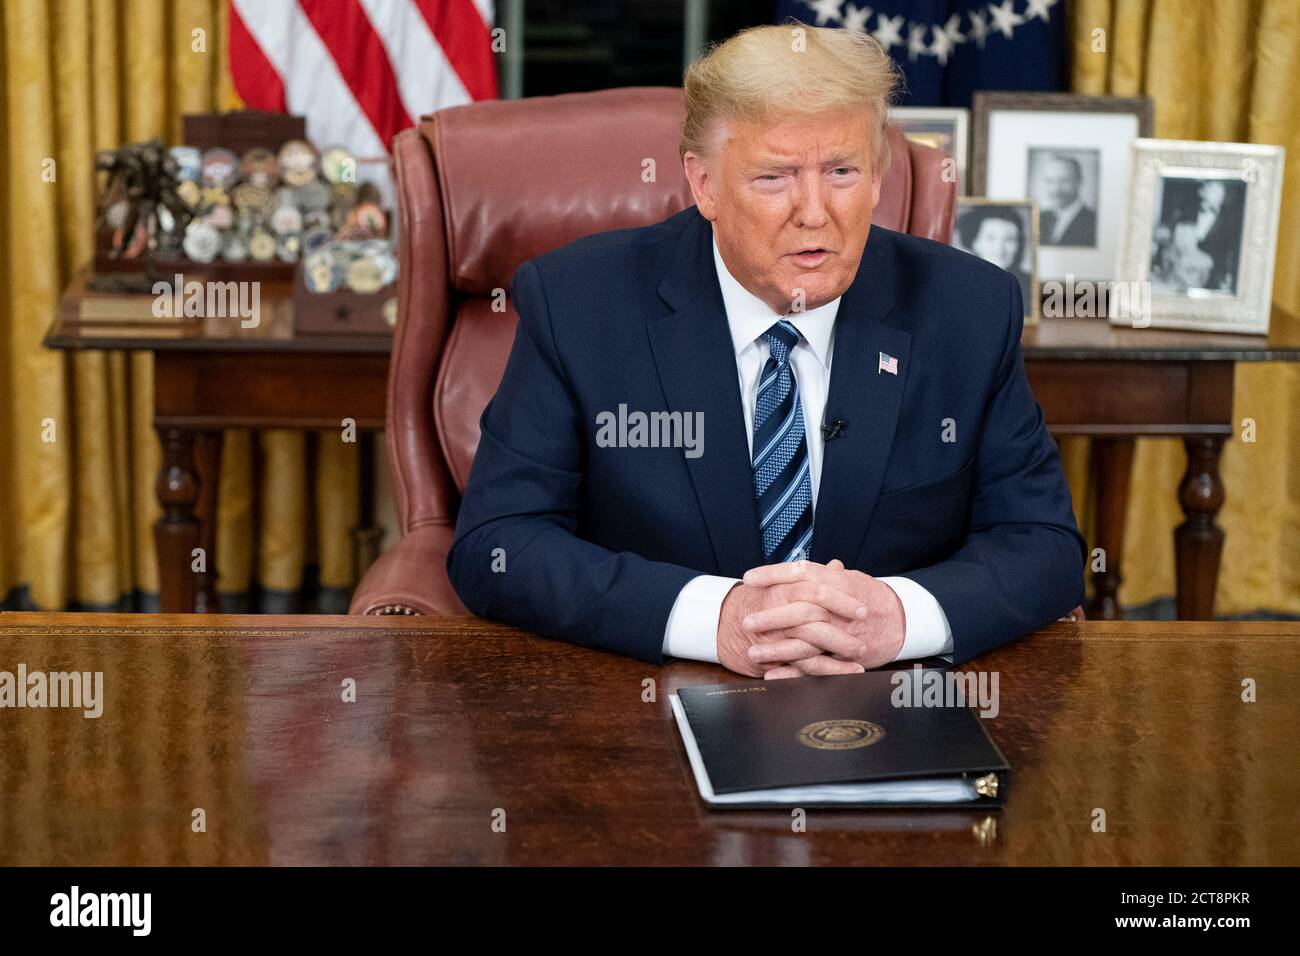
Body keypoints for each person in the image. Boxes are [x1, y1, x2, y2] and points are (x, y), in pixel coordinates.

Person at [448, 25, 1085, 677]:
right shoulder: (578, 304)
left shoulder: (967, 309)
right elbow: (498, 545)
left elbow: (1043, 546)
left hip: (889, 706)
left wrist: (895, 617)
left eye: (842, 171)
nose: (814, 212)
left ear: (878, 179)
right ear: (704, 185)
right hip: (647, 703)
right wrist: (717, 619)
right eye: (775, 177)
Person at [957, 206, 1032, 306]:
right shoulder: (959, 283)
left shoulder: (1029, 286)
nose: (999, 249)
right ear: (974, 242)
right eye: (990, 238)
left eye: (1009, 239)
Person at [1037, 155, 1096, 247]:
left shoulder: (1093, 222)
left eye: (1064, 181)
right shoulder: (1037, 218)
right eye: (1050, 181)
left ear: (1079, 181)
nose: (1056, 189)